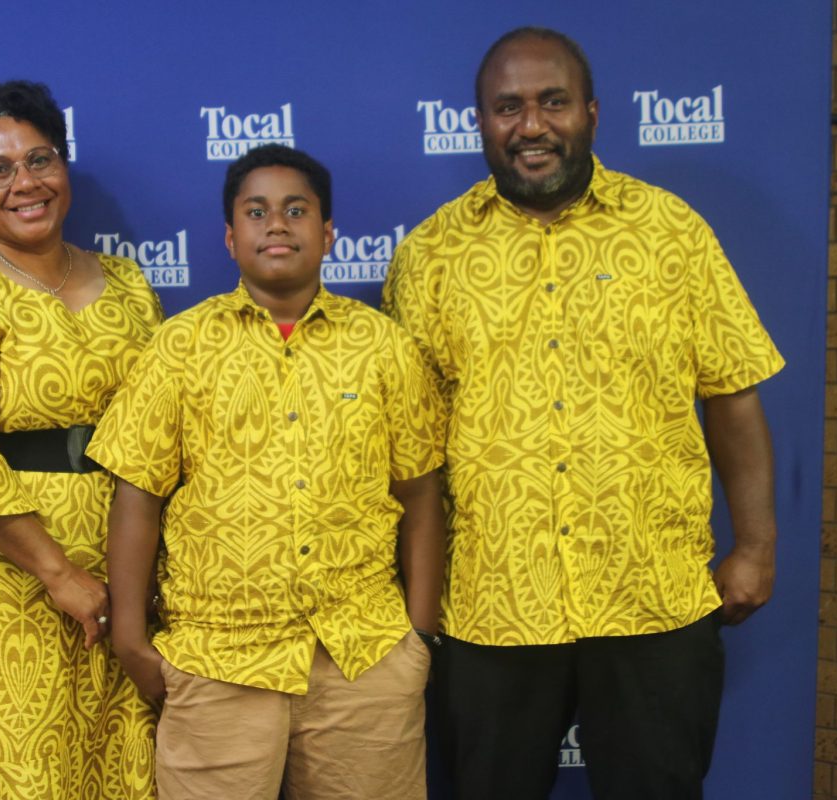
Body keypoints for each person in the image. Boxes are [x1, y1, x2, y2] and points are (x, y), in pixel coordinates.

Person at [382, 27, 785, 799]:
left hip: (654, 597)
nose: (531, 125)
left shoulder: (673, 233)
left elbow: (732, 394)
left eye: (552, 102)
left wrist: (757, 548)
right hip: (490, 605)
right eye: (508, 107)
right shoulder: (430, 255)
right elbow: (409, 450)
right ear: (480, 124)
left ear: (592, 113)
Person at [86, 144, 445, 799]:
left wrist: (417, 637)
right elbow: (137, 496)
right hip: (215, 661)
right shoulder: (181, 348)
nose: (276, 224)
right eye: (256, 212)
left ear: (328, 233)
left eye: (296, 210)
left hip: (363, 660)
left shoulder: (384, 347)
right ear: (230, 237)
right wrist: (133, 639)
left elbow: (421, 497)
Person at [0, 80, 162, 799]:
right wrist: (59, 574)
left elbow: (167, 429)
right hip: (0, 586)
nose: (25, 183)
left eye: (40, 159)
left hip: (125, 579)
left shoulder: (130, 284)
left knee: (120, 772)